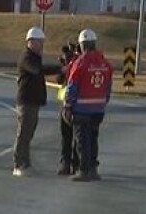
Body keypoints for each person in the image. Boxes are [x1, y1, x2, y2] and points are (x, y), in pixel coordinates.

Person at [12, 27, 63, 177]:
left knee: (28, 134)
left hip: (33, 102)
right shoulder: (26, 57)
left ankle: (25, 163)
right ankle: (18, 164)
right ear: (31, 42)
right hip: (26, 102)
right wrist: (60, 68)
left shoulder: (34, 57)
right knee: (24, 134)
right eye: (39, 42)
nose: (42, 45)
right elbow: (37, 70)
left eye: (42, 42)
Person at [63, 29, 113, 182]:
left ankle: (84, 170)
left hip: (82, 108)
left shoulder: (80, 63)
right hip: (98, 109)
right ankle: (93, 168)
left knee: (82, 141)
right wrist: (104, 101)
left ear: (82, 45)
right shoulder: (105, 63)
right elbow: (108, 86)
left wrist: (68, 105)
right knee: (93, 139)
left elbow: (72, 86)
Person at [56, 43, 81, 176]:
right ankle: (71, 164)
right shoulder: (78, 64)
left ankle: (69, 163)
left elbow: (60, 79)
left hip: (71, 104)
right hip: (73, 104)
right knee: (72, 137)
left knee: (69, 137)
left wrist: (65, 66)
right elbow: (60, 79)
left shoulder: (76, 65)